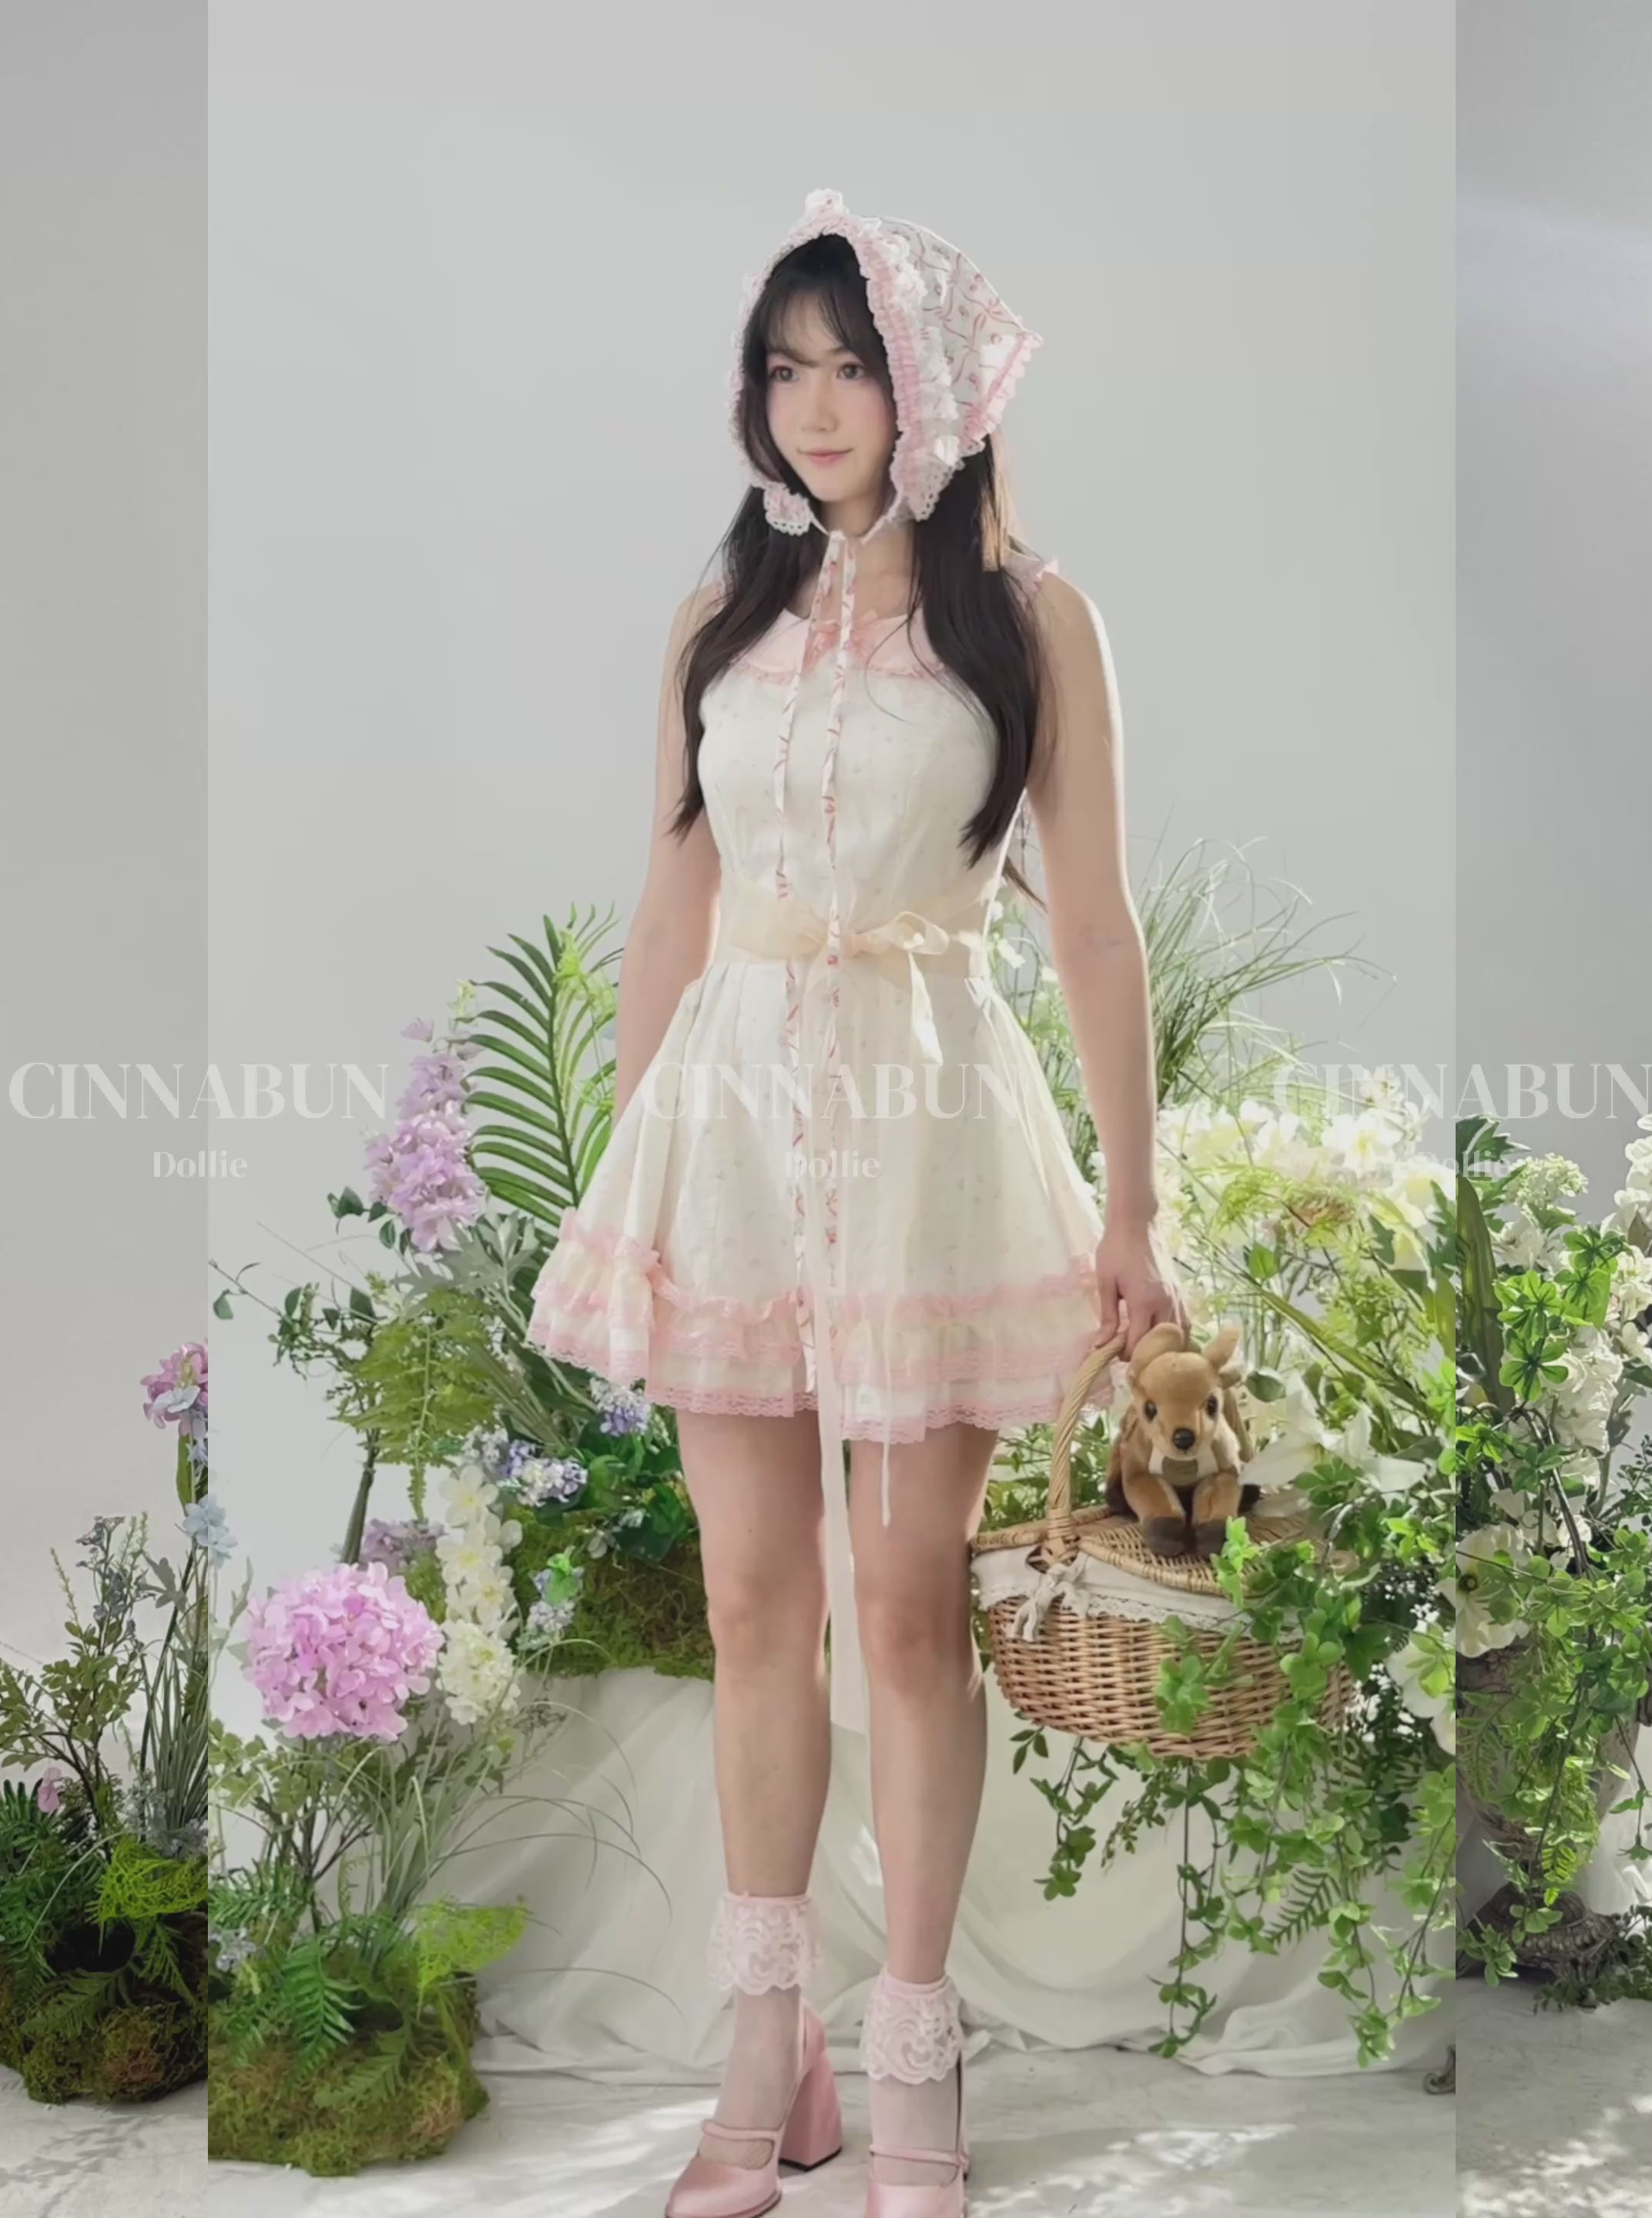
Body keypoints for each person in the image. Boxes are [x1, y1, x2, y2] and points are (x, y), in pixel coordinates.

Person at [525, 186, 1185, 2218]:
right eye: (783, 370)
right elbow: (669, 912)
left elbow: (1093, 931)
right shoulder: (717, 621)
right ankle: (766, 2051)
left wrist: (1135, 1208)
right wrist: (635, 1175)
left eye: (853, 368)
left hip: (931, 1134)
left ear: (938, 388)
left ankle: (913, 2046)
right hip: (728, 1132)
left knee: (906, 1608)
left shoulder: (1032, 619)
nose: (814, 407)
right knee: (753, 1605)